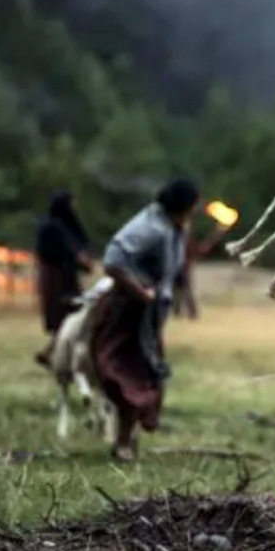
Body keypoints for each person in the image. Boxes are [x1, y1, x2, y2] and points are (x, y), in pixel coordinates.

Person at [91, 178, 200, 461]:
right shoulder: (150, 227)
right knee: (128, 374)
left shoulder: (173, 228)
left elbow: (174, 271)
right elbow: (113, 260)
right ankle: (123, 443)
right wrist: (140, 292)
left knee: (146, 375)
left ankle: (125, 439)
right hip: (126, 312)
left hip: (148, 319)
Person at [33, 190, 95, 367]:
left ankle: (51, 353)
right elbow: (70, 251)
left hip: (64, 276)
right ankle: (53, 354)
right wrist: (83, 261)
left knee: (72, 316)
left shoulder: (61, 225)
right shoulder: (53, 227)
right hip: (57, 278)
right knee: (69, 316)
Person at [171, 222, 231, 320]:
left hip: (183, 269)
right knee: (178, 292)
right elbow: (200, 249)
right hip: (177, 269)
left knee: (184, 291)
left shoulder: (185, 241)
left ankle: (188, 313)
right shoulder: (177, 240)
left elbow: (200, 250)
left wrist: (217, 233)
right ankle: (180, 312)